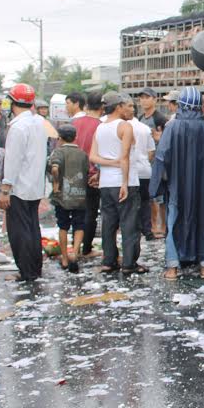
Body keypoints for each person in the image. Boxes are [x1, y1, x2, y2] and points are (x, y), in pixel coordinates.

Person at [150, 86, 204, 280]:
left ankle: (172, 268)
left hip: (177, 188)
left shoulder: (172, 127)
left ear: (181, 105)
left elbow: (162, 156)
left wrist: (159, 184)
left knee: (174, 223)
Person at [90, 92, 145, 275]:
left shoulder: (100, 128)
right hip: (125, 181)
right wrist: (124, 182)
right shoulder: (125, 126)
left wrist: (106, 165)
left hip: (106, 183)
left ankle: (109, 261)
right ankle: (129, 263)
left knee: (109, 223)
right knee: (129, 223)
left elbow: (93, 156)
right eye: (126, 105)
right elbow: (125, 156)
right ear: (119, 106)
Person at [0, 84, 47, 282]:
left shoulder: (18, 127)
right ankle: (35, 269)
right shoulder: (39, 122)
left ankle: (26, 271)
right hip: (35, 184)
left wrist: (5, 189)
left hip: (19, 186)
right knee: (33, 228)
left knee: (19, 232)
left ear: (12, 103)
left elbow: (13, 160)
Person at [48, 124, 88, 273]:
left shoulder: (58, 152)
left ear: (60, 138)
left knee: (63, 226)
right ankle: (75, 253)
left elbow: (55, 168)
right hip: (80, 196)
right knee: (79, 225)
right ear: (75, 137)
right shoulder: (83, 154)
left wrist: (56, 184)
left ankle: (65, 258)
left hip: (62, 198)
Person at [75, 93, 103, 258]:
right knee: (91, 212)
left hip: (73, 175)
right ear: (102, 107)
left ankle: (74, 246)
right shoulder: (100, 126)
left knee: (75, 211)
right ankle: (86, 248)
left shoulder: (74, 123)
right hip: (92, 175)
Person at [129, 113, 156, 241]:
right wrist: (145, 161)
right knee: (145, 202)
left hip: (129, 172)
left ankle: (134, 229)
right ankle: (147, 230)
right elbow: (151, 151)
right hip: (145, 170)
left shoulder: (122, 126)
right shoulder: (144, 128)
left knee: (131, 203)